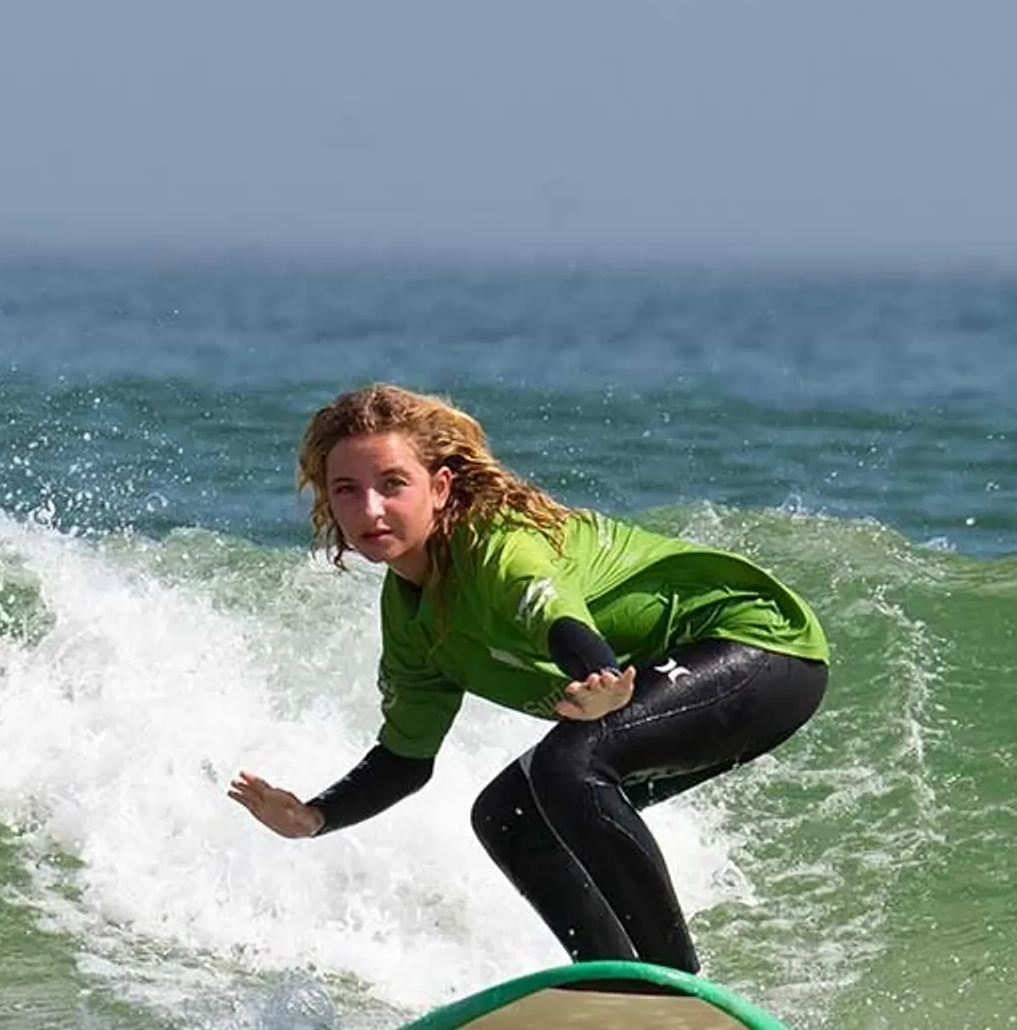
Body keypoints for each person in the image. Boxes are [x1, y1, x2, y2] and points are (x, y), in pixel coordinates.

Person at [227, 383, 829, 975]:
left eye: (392, 484)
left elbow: (554, 616)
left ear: (440, 488)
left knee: (568, 766)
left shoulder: (497, 544)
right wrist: (314, 817)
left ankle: (676, 985)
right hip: (686, 678)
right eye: (347, 490)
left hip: (759, 646)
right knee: (508, 816)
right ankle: (617, 986)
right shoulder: (411, 615)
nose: (370, 509)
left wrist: (597, 673)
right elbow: (406, 759)